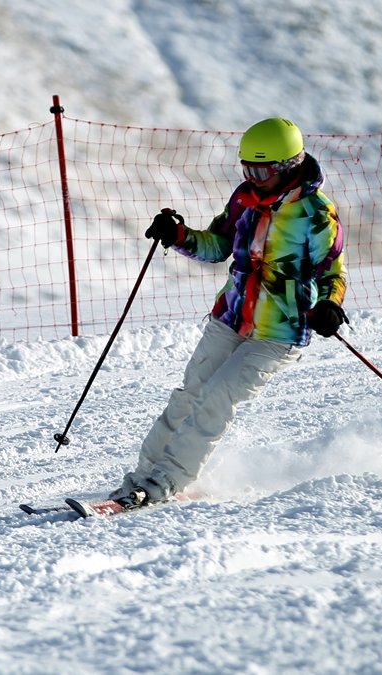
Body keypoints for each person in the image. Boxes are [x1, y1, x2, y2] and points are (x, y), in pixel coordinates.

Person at [111, 117, 348, 508]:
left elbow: (332, 271)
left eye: (262, 170)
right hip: (231, 317)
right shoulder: (245, 199)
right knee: (190, 394)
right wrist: (179, 236)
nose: (253, 177)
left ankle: (162, 484)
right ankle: (141, 477)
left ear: (289, 166)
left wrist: (329, 306)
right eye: (247, 168)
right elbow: (218, 245)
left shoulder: (316, 214)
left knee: (218, 397)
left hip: (279, 332)